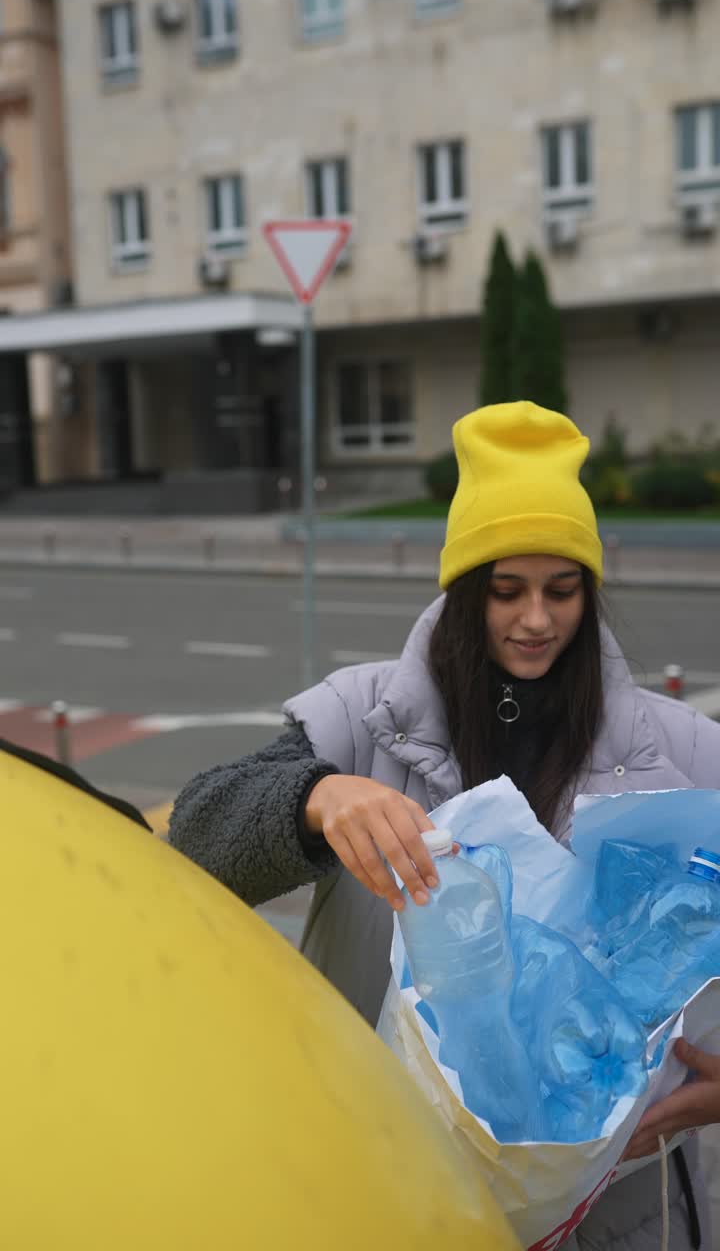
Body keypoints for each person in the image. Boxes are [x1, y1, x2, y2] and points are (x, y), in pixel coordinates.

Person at [169, 401, 720, 1250]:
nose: (536, 620)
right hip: (391, 1185)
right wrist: (315, 799)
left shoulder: (677, 746)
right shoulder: (365, 716)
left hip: (620, 1207)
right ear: (464, 591)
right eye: (506, 591)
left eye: (562, 589)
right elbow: (199, 837)